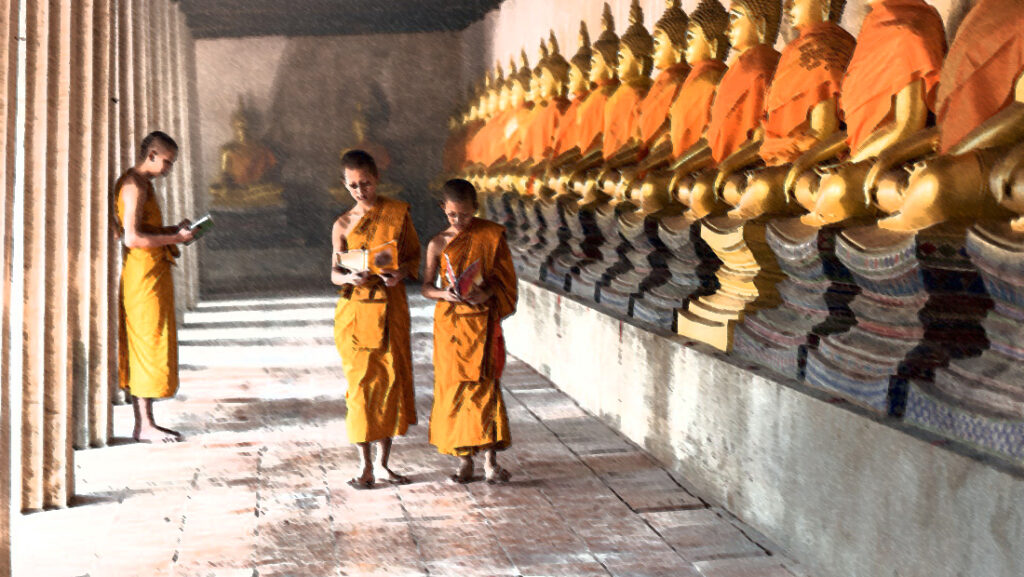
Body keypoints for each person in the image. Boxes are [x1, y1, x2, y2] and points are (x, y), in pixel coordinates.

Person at [331, 149, 420, 489]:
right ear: (345, 184)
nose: (360, 191)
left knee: (390, 383)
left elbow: (413, 258)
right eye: (353, 185)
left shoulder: (397, 213)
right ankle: (363, 467)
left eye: (365, 183)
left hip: (391, 307)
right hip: (356, 314)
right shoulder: (341, 224)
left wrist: (400, 274)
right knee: (361, 389)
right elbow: (334, 274)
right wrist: (349, 278)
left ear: (376, 178)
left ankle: (384, 465)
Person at [422, 179, 518, 484]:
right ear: (443, 209)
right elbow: (426, 287)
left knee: (485, 389)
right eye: (452, 215)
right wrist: (445, 294)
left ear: (475, 209)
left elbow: (505, 283)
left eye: (464, 215)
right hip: (451, 325)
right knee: (455, 390)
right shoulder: (438, 243)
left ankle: (490, 462)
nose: (459, 222)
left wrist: (486, 293)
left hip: (481, 322)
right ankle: (464, 461)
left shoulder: (490, 236)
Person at [116, 131, 194, 443]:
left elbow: (145, 229)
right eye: (166, 162)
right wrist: (175, 238)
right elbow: (132, 237)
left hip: (152, 271)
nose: (168, 169)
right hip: (141, 274)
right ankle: (144, 424)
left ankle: (146, 422)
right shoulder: (133, 184)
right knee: (145, 344)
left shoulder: (144, 184)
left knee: (154, 341)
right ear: (151, 154)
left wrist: (172, 230)